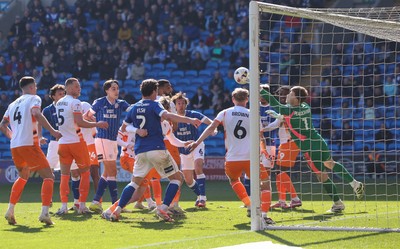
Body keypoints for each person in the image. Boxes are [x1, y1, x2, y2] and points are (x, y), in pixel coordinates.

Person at [105, 79, 201, 222]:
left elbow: (124, 128)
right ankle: (163, 208)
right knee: (177, 178)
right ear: (154, 92)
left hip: (140, 151)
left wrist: (137, 130)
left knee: (134, 183)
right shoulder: (155, 104)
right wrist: (190, 120)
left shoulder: (135, 107)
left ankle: (116, 211)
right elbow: (168, 116)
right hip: (156, 149)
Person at [260, 86, 365, 212]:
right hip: (318, 141)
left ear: (297, 98)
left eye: (291, 94)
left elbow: (274, 102)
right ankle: (354, 183)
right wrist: (279, 116)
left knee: (322, 176)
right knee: (330, 163)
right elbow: (290, 116)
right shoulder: (306, 107)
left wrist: (260, 90)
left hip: (307, 147)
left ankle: (338, 204)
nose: (287, 95)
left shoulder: (288, 110)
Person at [189, 88, 275, 226]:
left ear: (233, 99)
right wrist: (264, 150)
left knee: (234, 179)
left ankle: (248, 204)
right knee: (265, 184)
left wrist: (197, 142)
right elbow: (261, 136)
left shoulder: (224, 112)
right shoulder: (253, 113)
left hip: (232, 158)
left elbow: (211, 128)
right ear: (247, 100)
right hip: (251, 158)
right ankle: (264, 214)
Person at [0, 76, 62, 225]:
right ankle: (45, 213)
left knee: (23, 176)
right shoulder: (34, 98)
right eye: (35, 85)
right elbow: (36, 114)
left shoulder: (13, 103)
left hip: (15, 145)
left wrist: (14, 137)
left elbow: (2, 124)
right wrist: (53, 131)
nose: (36, 88)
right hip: (29, 143)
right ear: (32, 86)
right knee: (48, 176)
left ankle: (10, 210)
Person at [55, 77, 108, 215]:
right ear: (70, 87)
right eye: (77, 86)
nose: (79, 89)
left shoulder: (59, 102)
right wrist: (97, 124)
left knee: (65, 176)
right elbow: (80, 122)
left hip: (62, 143)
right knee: (85, 173)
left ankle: (63, 207)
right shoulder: (76, 102)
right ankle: (82, 206)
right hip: (76, 142)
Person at [87, 79, 130, 213]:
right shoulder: (99, 102)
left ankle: (96, 201)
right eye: (113, 88)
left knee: (107, 172)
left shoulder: (121, 103)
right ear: (107, 90)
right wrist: (97, 123)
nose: (116, 91)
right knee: (112, 171)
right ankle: (116, 204)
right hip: (103, 139)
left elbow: (132, 111)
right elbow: (86, 116)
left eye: (117, 88)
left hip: (113, 139)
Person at [261, 86, 302, 209]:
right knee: (279, 172)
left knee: (280, 171)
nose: (281, 96)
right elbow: (278, 122)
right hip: (285, 143)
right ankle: (282, 201)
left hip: (290, 143)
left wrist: (264, 129)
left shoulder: (290, 108)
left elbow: (278, 123)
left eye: (283, 94)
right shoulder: (285, 108)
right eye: (279, 94)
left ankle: (295, 198)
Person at [172, 92, 213, 207]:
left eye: (182, 103)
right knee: (188, 179)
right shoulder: (172, 118)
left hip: (196, 144)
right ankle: (200, 195)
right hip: (183, 149)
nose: (180, 105)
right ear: (175, 105)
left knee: (198, 167)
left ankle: (203, 199)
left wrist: (213, 129)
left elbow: (208, 121)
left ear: (186, 104)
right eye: (178, 103)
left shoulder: (192, 114)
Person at [40, 84, 66, 172]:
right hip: (55, 141)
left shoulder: (70, 106)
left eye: (63, 94)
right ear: (53, 96)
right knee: (49, 169)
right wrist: (40, 136)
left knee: (74, 170)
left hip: (69, 140)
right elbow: (38, 122)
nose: (63, 96)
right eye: (60, 94)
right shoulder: (47, 110)